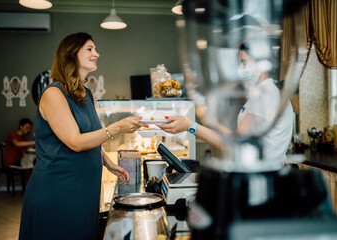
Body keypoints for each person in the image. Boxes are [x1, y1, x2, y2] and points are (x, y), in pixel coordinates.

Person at [19, 32, 147, 240]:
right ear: (71, 54)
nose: (97, 53)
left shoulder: (87, 94)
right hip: (58, 192)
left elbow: (89, 135)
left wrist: (108, 163)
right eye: (90, 49)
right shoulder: (53, 94)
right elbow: (76, 142)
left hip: (84, 191)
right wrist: (117, 127)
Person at [158, 43, 293, 162]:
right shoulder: (258, 94)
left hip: (264, 173)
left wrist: (190, 126)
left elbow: (236, 143)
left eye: (244, 63)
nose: (240, 69)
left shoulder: (267, 93)